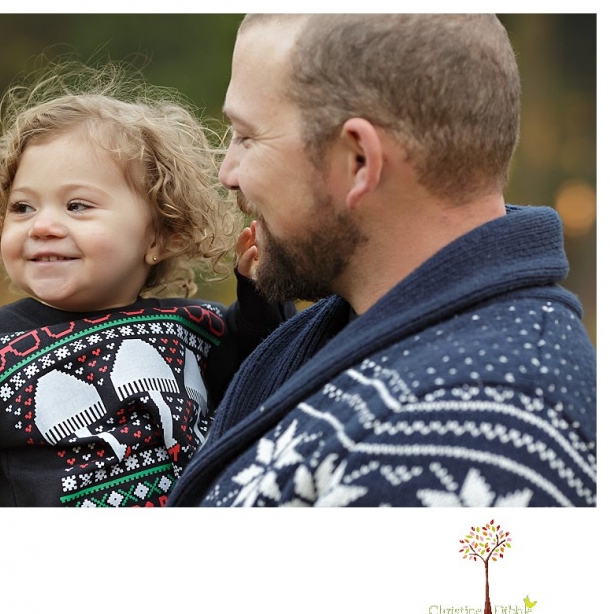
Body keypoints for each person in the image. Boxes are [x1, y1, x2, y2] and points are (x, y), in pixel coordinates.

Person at [166, 14, 597, 507]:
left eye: (246, 136)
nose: (228, 173)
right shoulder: (372, 329)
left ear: (359, 161)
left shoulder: (466, 439)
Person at [0, 62, 294, 507]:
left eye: (77, 205)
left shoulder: (196, 328)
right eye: (22, 207)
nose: (42, 225)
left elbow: (268, 366)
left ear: (160, 234)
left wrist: (257, 290)